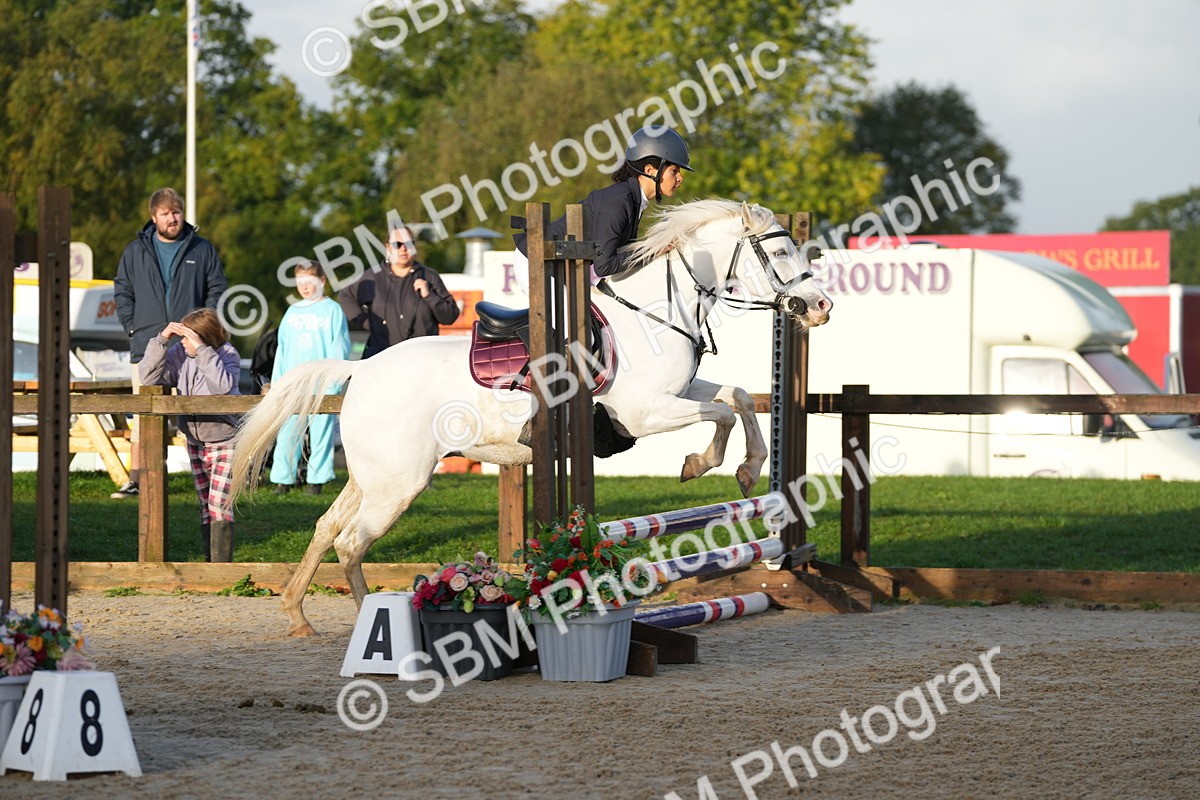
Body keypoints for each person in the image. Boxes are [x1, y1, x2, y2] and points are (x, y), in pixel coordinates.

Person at [112, 188, 227, 499]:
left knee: (197, 411)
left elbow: (216, 287)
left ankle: (205, 476)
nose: (172, 218)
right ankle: (138, 479)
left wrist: (205, 327)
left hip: (192, 348)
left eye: (176, 212)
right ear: (154, 218)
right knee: (144, 414)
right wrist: (133, 329)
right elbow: (122, 292)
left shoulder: (202, 249)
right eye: (165, 213)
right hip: (149, 346)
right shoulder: (134, 251)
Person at [514, 126, 692, 280]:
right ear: (649, 170)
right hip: (536, 259)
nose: (680, 178)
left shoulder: (634, 199)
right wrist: (653, 251)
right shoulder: (620, 201)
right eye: (674, 171)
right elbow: (604, 266)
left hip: (559, 263)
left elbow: (622, 253)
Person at [138, 308, 241, 562]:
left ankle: (222, 567)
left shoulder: (227, 354)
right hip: (194, 440)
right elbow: (148, 378)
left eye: (187, 336)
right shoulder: (179, 354)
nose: (182, 342)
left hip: (225, 439)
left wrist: (202, 352)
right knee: (205, 505)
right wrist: (162, 339)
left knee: (219, 504)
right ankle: (210, 562)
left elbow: (222, 387)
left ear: (203, 337)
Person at [270, 261, 351, 495]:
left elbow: (339, 347)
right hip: (293, 382)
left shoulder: (333, 310)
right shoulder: (292, 311)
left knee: (321, 432)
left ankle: (317, 479)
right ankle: (283, 478)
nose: (305, 287)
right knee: (287, 431)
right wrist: (278, 383)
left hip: (322, 382)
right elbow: (282, 349)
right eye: (300, 283)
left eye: (310, 282)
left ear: (322, 281)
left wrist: (334, 380)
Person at [337, 225, 459, 358]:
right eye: (397, 244)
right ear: (388, 247)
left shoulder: (429, 277)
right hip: (381, 359)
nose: (403, 248)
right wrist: (368, 323)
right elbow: (345, 296)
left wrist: (429, 296)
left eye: (409, 243)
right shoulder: (373, 276)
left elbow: (450, 317)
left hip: (422, 360)